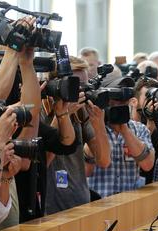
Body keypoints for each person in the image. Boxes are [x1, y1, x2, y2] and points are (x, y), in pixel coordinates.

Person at [45, 56, 111, 214]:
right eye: (76, 86)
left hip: (80, 205)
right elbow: (43, 160)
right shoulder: (41, 111)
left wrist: (99, 124)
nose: (82, 92)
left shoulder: (81, 112)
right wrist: (62, 115)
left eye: (85, 85)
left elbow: (104, 160)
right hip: (48, 209)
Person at [86, 76, 155, 198]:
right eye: (117, 98)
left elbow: (147, 164)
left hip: (129, 205)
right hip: (99, 204)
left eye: (125, 98)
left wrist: (124, 129)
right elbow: (86, 171)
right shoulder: (89, 128)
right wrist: (98, 126)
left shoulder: (139, 129)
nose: (122, 102)